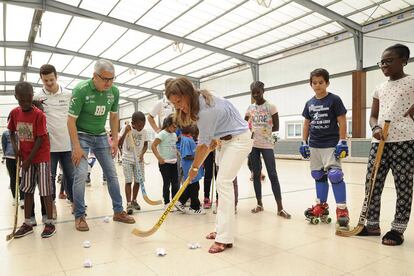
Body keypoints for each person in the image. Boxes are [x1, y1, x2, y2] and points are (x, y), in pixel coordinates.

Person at [166, 77, 253, 254]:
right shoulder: (199, 101)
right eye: (174, 104)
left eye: (179, 101)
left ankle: (225, 239)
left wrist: (194, 168)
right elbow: (211, 136)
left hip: (239, 140)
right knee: (223, 186)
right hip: (225, 141)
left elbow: (203, 144)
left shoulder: (206, 109)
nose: (179, 107)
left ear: (188, 94)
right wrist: (215, 140)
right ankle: (222, 229)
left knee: (223, 183)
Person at [356, 44, 414, 246]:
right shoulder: (379, 88)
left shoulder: (412, 82)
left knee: (403, 186)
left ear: (404, 60)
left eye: (389, 60)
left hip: (404, 141)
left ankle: (398, 229)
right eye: (382, 61)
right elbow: (373, 116)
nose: (384, 65)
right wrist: (374, 128)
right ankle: (371, 225)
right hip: (379, 142)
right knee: (373, 183)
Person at [68, 59, 135, 231]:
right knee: (81, 175)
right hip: (81, 136)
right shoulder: (81, 90)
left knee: (112, 174)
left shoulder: (114, 92)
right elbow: (70, 121)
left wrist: (115, 140)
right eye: (104, 79)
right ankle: (80, 215)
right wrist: (76, 146)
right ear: (94, 76)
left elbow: (113, 117)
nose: (108, 83)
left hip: (100, 136)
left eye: (111, 79)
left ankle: (118, 211)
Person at [299, 68, 349, 229]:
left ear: (327, 83)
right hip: (314, 145)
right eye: (314, 83)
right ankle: (321, 205)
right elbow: (306, 123)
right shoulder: (309, 103)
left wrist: (342, 141)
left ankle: (342, 210)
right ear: (311, 84)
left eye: (321, 82)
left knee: (335, 175)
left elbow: (342, 120)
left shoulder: (334, 100)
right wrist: (303, 142)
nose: (318, 85)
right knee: (318, 175)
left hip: (331, 144)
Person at [8, 82, 56, 238]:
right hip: (26, 158)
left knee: (45, 190)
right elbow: (11, 131)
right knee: (27, 190)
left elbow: (41, 139)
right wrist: (16, 149)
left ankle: (49, 222)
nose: (26, 103)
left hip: (40, 157)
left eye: (29, 99)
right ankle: (27, 223)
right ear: (16, 97)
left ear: (32, 96)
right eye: (22, 100)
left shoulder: (39, 115)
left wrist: (28, 160)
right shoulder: (15, 113)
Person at [34, 64, 75, 219]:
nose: (49, 83)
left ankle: (73, 202)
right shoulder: (37, 98)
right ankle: (52, 206)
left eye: (51, 79)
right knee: (49, 178)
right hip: (48, 147)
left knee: (70, 176)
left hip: (67, 144)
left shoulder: (69, 94)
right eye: (45, 80)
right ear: (41, 79)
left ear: (56, 77)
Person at [245, 81, 291, 219]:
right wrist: (251, 131)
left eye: (258, 92)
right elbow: (244, 123)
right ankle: (259, 204)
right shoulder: (250, 108)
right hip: (254, 145)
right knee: (256, 174)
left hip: (267, 145)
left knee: (272, 174)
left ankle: (280, 208)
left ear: (263, 91)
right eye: (253, 93)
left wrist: (264, 130)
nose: (255, 95)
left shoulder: (271, 106)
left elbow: (276, 126)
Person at [119, 111, 148, 214]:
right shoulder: (126, 128)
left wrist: (142, 154)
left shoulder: (144, 131)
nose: (141, 128)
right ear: (133, 123)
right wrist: (126, 132)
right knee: (128, 181)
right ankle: (128, 204)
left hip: (138, 160)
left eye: (143, 125)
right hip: (127, 159)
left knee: (138, 181)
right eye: (139, 125)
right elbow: (119, 143)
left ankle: (134, 200)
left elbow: (145, 145)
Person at [175, 125, 206, 215]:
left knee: (190, 187)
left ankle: (180, 201)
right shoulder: (185, 140)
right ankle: (194, 207)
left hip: (194, 167)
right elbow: (186, 155)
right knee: (195, 187)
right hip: (190, 168)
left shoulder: (189, 139)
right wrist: (198, 156)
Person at [151, 114, 179, 210]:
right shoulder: (162, 134)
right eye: (173, 126)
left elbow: (173, 146)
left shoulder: (174, 134)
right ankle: (167, 203)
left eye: (176, 127)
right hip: (164, 163)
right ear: (168, 124)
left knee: (175, 183)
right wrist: (159, 158)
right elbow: (153, 146)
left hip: (173, 162)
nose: (175, 129)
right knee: (167, 183)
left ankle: (174, 202)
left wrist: (177, 153)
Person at [2, 122, 25, 208]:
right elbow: (4, 145)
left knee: (21, 178)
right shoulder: (5, 133)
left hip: (20, 158)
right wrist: (5, 156)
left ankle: (22, 199)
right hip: (10, 157)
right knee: (13, 178)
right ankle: (15, 198)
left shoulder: (21, 131)